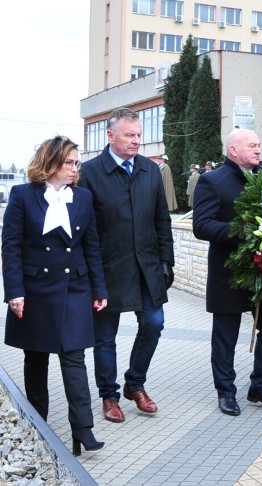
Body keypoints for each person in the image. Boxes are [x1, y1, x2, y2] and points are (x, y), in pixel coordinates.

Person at [2, 136, 108, 456]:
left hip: (74, 289)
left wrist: (99, 289)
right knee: (36, 360)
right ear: (51, 163)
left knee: (74, 359)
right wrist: (15, 292)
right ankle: (38, 426)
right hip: (35, 292)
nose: (76, 169)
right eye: (70, 163)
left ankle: (84, 429)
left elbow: (91, 247)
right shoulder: (23, 196)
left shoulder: (84, 198)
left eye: (77, 163)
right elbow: (11, 248)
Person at [78, 107, 174, 423]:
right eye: (129, 135)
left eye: (138, 136)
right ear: (110, 136)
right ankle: (109, 396)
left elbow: (162, 220)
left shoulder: (150, 170)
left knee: (154, 323)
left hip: (146, 269)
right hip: (106, 271)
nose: (136, 141)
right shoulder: (90, 174)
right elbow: (83, 229)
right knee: (105, 338)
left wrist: (166, 262)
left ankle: (136, 383)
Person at [192, 128, 262, 416]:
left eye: (259, 145)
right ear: (234, 150)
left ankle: (260, 385)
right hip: (229, 273)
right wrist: (243, 231)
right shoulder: (213, 181)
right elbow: (202, 226)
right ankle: (226, 391)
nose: (259, 150)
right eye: (252, 145)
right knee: (226, 335)